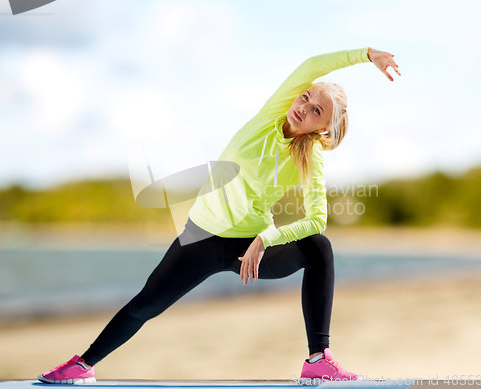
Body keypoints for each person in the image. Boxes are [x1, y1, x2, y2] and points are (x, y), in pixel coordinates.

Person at [38, 47, 400, 384]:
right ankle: (83, 365)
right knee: (145, 304)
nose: (304, 107)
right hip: (201, 237)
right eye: (306, 97)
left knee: (319, 247)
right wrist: (368, 55)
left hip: (250, 250)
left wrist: (265, 239)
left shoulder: (311, 158)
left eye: (316, 111)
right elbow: (312, 67)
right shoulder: (271, 115)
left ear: (322, 129)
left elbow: (317, 220)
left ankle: (318, 360)